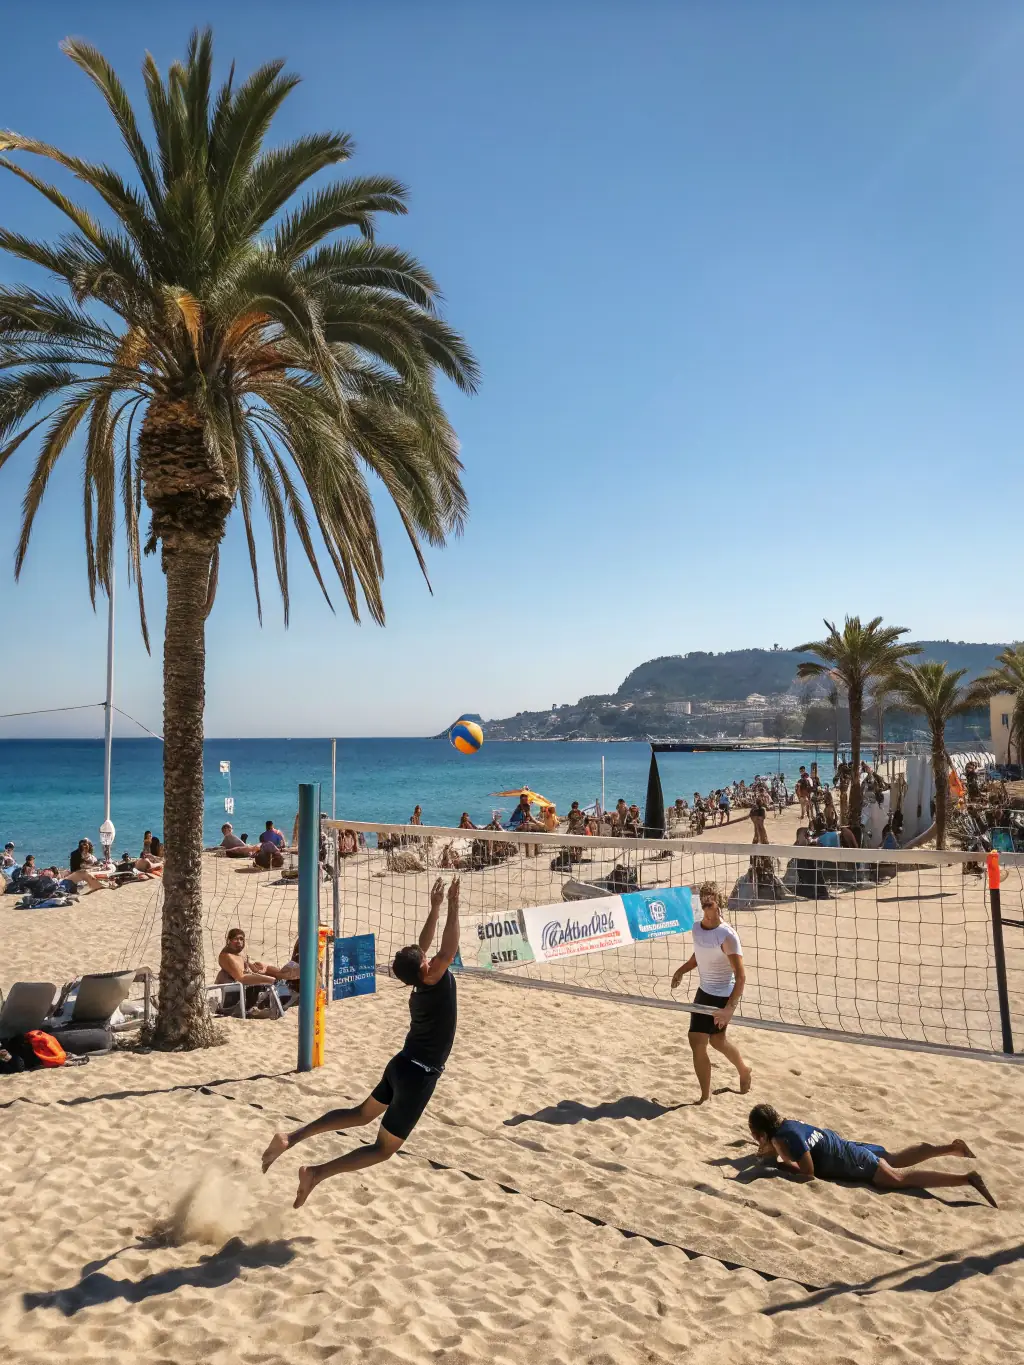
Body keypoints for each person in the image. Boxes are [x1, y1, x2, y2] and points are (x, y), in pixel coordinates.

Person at [262, 877, 461, 1207]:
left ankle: (290, 1137)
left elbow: (426, 949)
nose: (432, 959)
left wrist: (435, 907)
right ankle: (315, 1173)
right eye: (427, 961)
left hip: (401, 1065)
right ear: (425, 970)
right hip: (418, 1075)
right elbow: (448, 949)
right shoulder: (431, 978)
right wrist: (452, 905)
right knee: (383, 1149)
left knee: (359, 1114)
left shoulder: (420, 980)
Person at [748, 1103, 996, 1206]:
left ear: (762, 1132)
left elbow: (808, 1173)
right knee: (894, 1158)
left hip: (852, 1159)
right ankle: (952, 1148)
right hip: (848, 1146)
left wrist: (779, 1166)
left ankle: (967, 1179)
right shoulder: (788, 1125)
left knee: (897, 1179)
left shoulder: (784, 1139)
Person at [670, 881, 752, 1103]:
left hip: (723, 995)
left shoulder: (727, 935)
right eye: (703, 903)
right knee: (698, 1041)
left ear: (718, 904)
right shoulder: (697, 928)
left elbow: (741, 976)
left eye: (710, 903)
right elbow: (699, 955)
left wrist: (729, 1009)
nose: (706, 907)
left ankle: (743, 1069)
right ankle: (704, 1097)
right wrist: (681, 970)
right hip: (704, 991)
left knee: (716, 1042)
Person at [215, 927, 278, 1013]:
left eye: (241, 939)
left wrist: (262, 970)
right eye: (235, 939)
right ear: (229, 941)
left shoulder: (239, 955)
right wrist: (270, 980)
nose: (239, 942)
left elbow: (253, 970)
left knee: (271, 973)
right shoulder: (227, 956)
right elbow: (241, 978)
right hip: (229, 996)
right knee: (268, 982)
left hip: (238, 991)